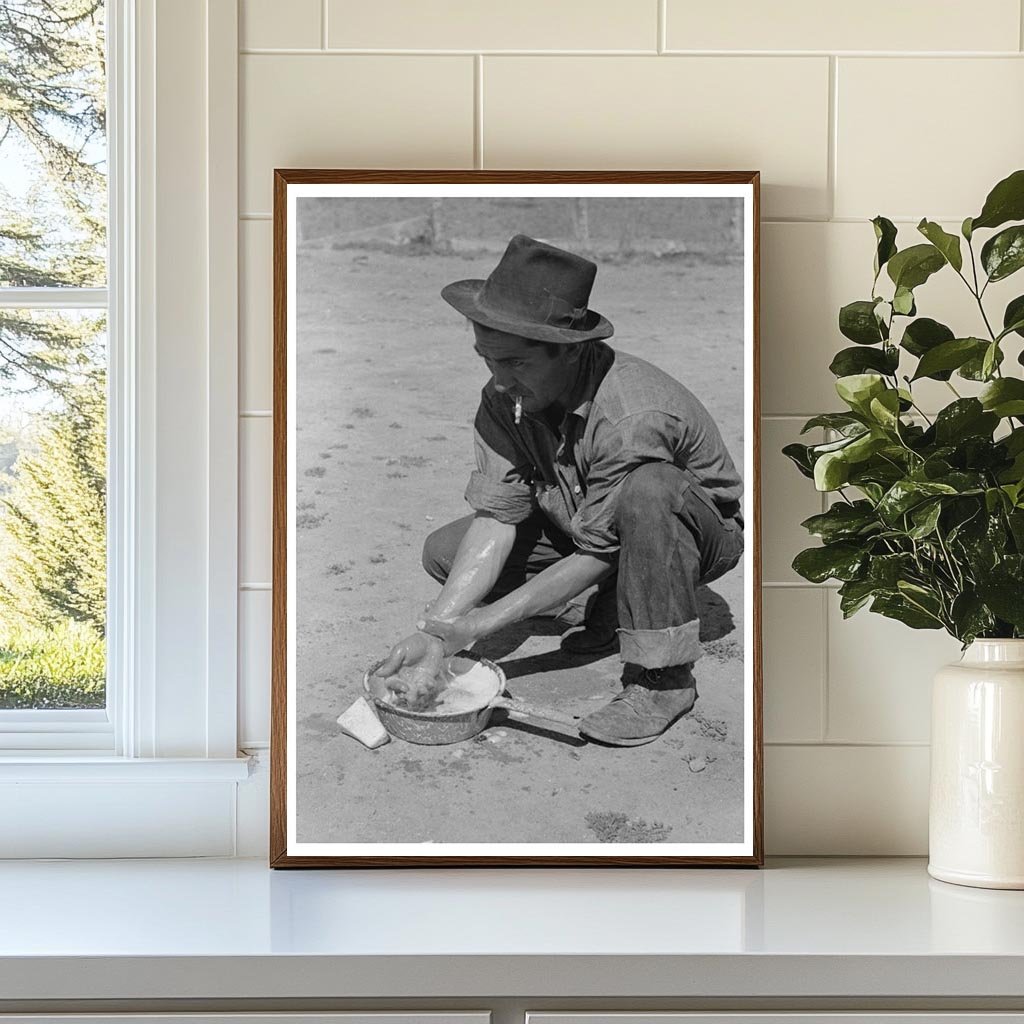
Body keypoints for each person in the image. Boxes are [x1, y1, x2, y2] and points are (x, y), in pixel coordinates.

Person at [376, 233, 743, 746]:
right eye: (489, 360)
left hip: (688, 532)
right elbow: (497, 516)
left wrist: (477, 624)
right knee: (444, 552)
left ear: (571, 352)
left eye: (517, 364)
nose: (500, 382)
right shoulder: (506, 397)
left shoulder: (632, 414)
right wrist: (441, 628)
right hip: (585, 521)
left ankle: (663, 682)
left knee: (649, 490)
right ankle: (611, 606)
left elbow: (600, 546)